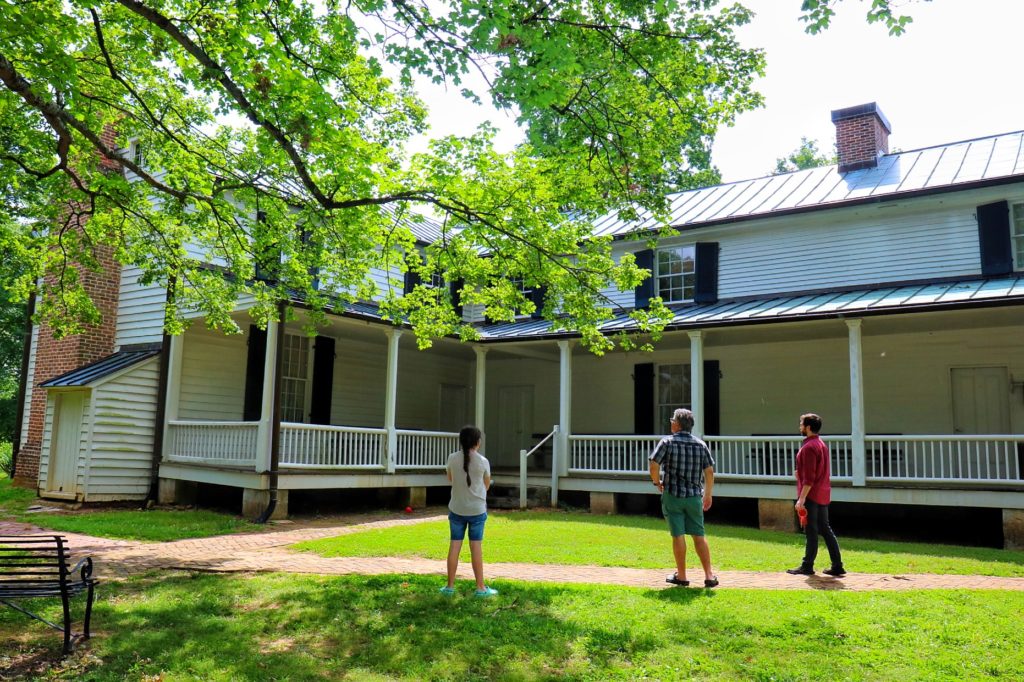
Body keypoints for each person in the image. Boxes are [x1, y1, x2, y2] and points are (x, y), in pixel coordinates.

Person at [649, 408, 718, 588]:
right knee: (699, 535)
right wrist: (708, 493)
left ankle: (682, 575)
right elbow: (709, 471)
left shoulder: (667, 442)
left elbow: (654, 464)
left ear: (678, 424)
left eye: (672, 420)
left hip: (673, 495)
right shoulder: (700, 445)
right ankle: (709, 576)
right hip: (694, 496)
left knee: (678, 535)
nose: (671, 422)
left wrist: (657, 483)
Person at [787, 413, 846, 577]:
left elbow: (810, 478)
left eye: (801, 424)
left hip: (812, 495)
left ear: (808, 427)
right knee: (825, 529)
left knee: (811, 531)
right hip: (823, 493)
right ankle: (837, 565)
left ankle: (807, 565)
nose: (799, 427)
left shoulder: (808, 447)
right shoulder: (820, 444)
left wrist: (801, 498)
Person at [441, 425, 497, 597]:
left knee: (454, 545)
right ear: (477, 442)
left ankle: (449, 587)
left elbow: (450, 479)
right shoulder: (483, 461)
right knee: (476, 547)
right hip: (477, 510)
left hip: (457, 508)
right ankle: (480, 588)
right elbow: (486, 485)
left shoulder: (452, 458)